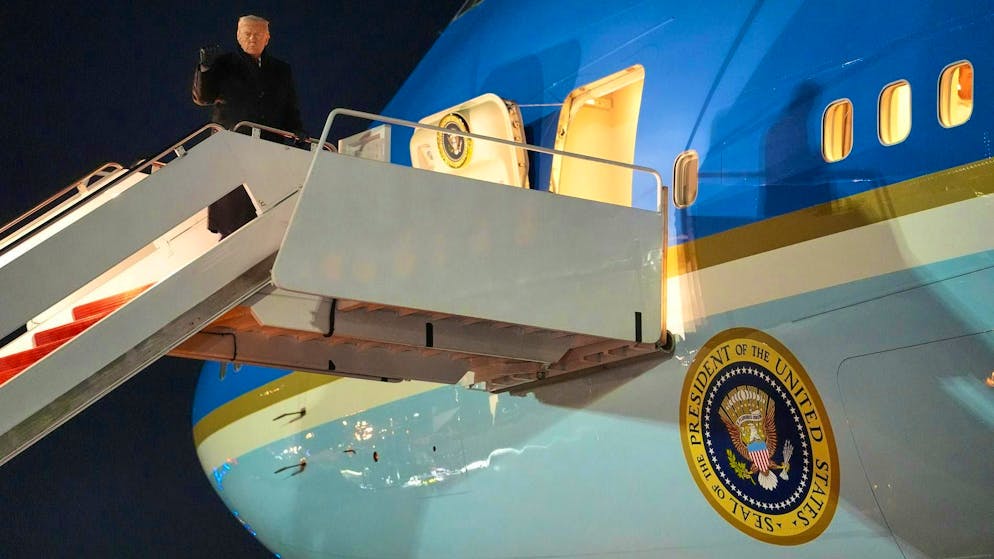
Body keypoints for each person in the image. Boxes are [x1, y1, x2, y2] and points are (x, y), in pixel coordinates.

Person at [192, 14, 306, 238]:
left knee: (269, 212)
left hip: (269, 148)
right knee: (233, 214)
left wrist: (297, 129)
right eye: (247, 34)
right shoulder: (224, 64)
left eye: (258, 34)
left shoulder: (282, 70)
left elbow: (290, 106)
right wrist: (205, 68)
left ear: (268, 37)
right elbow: (202, 97)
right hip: (232, 148)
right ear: (238, 35)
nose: (252, 39)